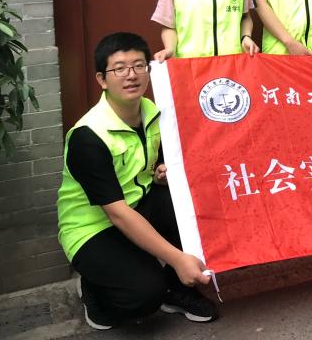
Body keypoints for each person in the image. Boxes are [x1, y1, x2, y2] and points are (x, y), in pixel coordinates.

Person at [57, 32, 218, 330]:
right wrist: (178, 259)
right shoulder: (87, 136)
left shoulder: (153, 112)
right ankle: (95, 291)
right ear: (102, 79)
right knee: (144, 294)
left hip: (139, 203)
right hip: (94, 227)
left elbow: (146, 170)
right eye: (119, 68)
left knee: (196, 209)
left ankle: (176, 291)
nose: (131, 75)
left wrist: (160, 175)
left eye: (139, 66)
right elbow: (117, 212)